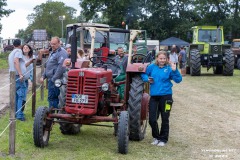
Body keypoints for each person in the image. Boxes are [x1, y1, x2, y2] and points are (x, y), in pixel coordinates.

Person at [141, 50, 182, 147]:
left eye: (164, 58)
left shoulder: (169, 68)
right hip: (154, 97)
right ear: (157, 59)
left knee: (165, 118)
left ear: (167, 59)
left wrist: (175, 70)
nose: (162, 60)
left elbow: (178, 80)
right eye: (160, 58)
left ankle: (163, 139)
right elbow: (143, 74)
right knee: (152, 119)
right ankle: (156, 137)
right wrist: (147, 79)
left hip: (166, 97)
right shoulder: (152, 67)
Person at [40, 37, 68, 110]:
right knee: (51, 98)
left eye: (54, 44)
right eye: (51, 44)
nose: (52, 45)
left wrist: (53, 79)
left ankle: (54, 115)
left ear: (59, 43)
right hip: (51, 79)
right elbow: (49, 66)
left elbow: (61, 67)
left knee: (54, 97)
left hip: (57, 80)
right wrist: (43, 76)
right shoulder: (53, 52)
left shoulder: (62, 53)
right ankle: (52, 114)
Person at [8, 39, 29, 121]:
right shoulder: (18, 51)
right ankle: (19, 115)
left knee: (16, 95)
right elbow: (16, 61)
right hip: (17, 76)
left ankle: (15, 112)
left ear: (13, 45)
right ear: (20, 45)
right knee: (21, 95)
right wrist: (20, 73)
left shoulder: (11, 53)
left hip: (13, 76)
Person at [22, 44, 35, 112]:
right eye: (24, 47)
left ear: (29, 49)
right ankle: (19, 111)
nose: (25, 48)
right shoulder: (21, 57)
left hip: (26, 79)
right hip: (21, 79)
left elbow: (32, 69)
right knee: (21, 95)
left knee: (24, 95)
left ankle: (21, 111)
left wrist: (33, 80)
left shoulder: (32, 57)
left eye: (27, 47)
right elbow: (22, 66)